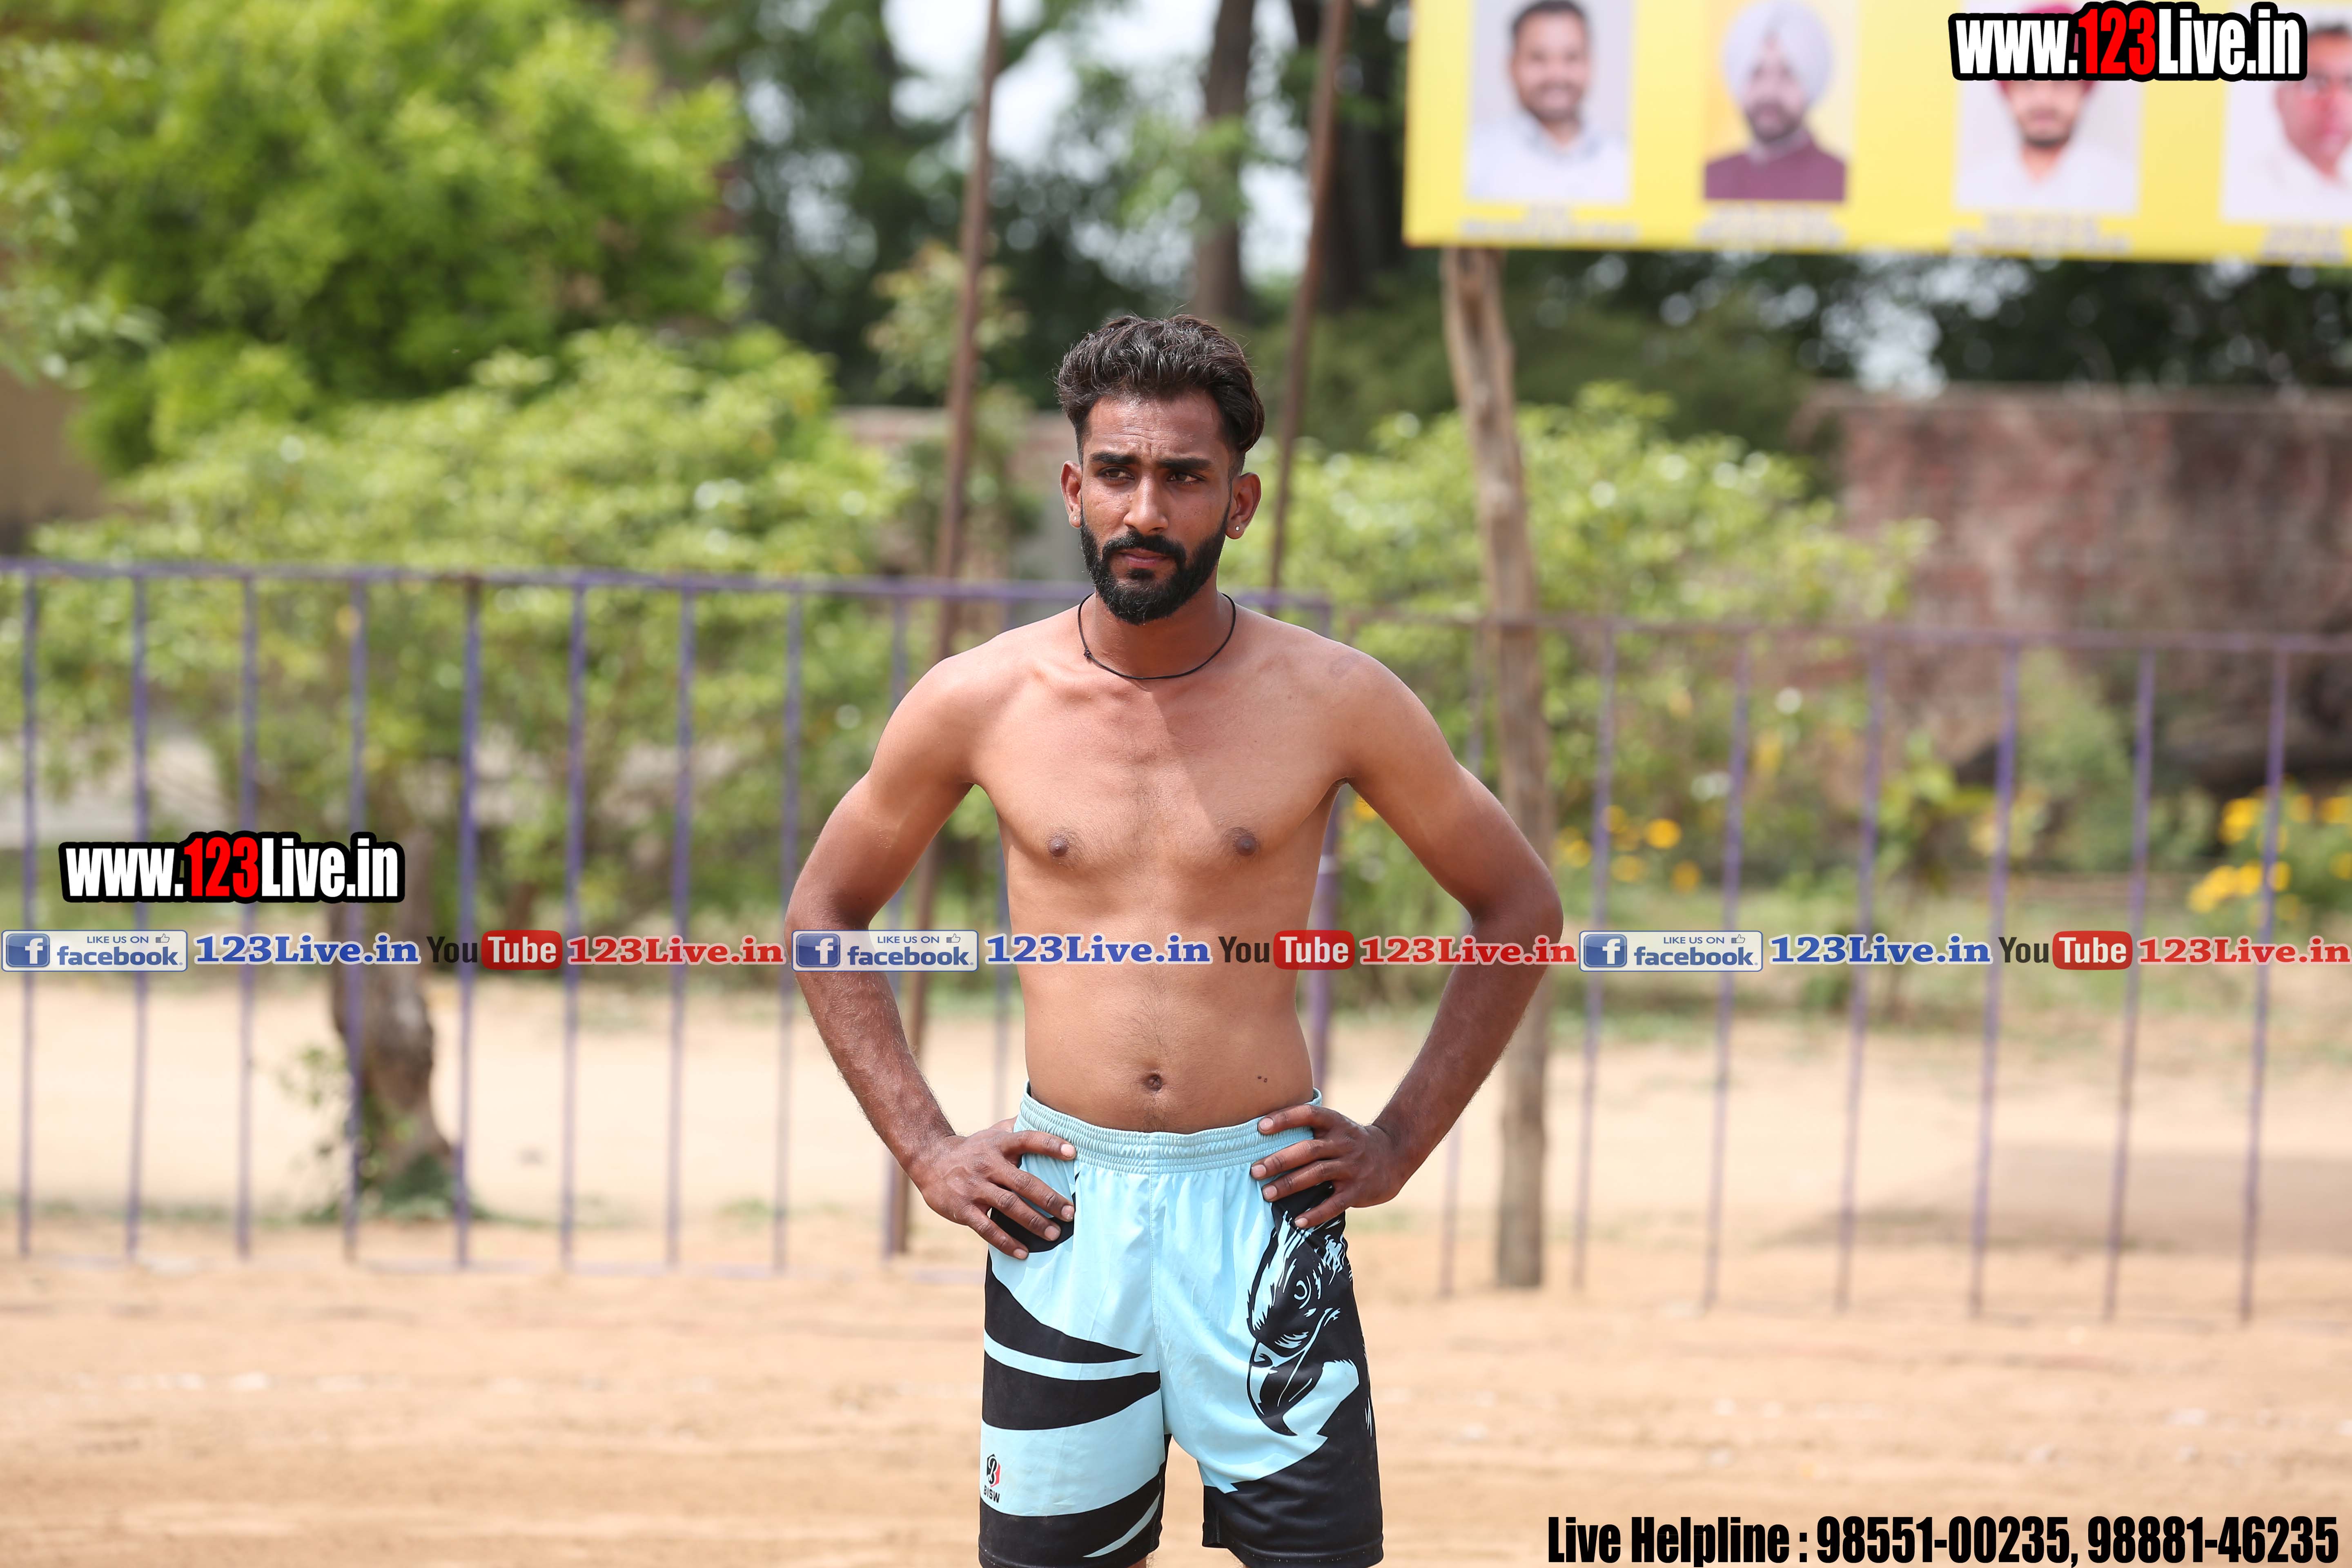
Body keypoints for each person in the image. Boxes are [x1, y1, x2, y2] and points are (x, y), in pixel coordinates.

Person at [788, 314, 1563, 1568]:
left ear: (1238, 503)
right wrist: (925, 1146)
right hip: (1064, 1209)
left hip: (1263, 1209)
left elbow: (1519, 906)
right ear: (1074, 489)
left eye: (1184, 477)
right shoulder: (980, 698)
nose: (1145, 509)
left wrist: (1401, 1139)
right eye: (1118, 472)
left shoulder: (1334, 697)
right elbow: (823, 913)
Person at [1466, 0, 1631, 204]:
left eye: (1571, 57)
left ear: (1590, 63)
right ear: (1511, 65)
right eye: (1538, 58)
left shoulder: (1627, 163)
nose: (1556, 74)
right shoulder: (1470, 160)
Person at [1704, 0, 1847, 203]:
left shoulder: (1841, 181)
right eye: (1757, 73)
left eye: (1787, 74)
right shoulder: (1712, 179)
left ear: (1809, 83)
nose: (1770, 91)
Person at [2223, 18, 2352, 223]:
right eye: (2315, 83)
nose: (2336, 103)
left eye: (2349, 85)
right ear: (2280, 98)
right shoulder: (2247, 192)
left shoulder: (2344, 192)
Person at [1955, 74, 2136, 214]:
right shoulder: (1971, 189)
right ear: (2009, 94)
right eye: (2027, 84)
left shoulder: (2125, 189)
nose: (2044, 101)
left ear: (2083, 93)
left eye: (2061, 83)